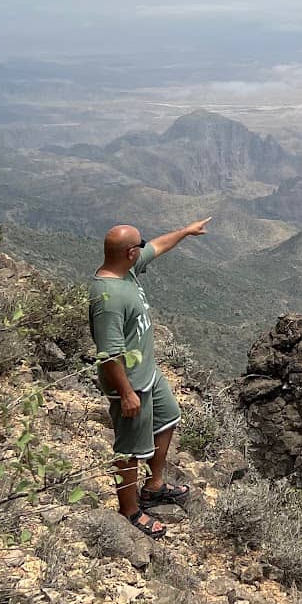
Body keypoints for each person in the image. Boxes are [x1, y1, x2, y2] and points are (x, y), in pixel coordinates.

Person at [89, 218, 211, 538]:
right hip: (130, 383)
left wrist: (185, 231)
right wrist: (126, 392)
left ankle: (154, 486)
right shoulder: (108, 298)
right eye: (138, 246)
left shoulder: (125, 268)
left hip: (148, 374)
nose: (144, 248)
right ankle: (129, 512)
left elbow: (157, 246)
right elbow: (109, 353)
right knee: (130, 450)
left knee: (169, 417)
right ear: (129, 252)